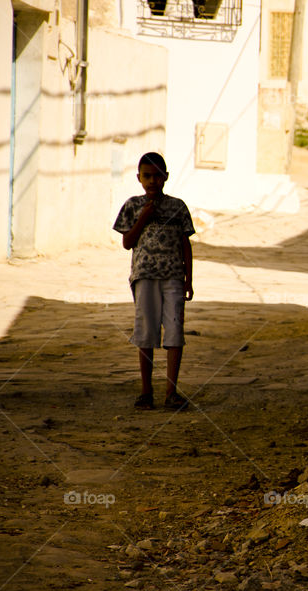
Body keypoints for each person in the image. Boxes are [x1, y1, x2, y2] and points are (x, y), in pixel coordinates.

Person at [113, 152, 195, 411]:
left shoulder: (177, 207)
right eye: (147, 176)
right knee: (146, 333)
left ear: (166, 177)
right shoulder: (132, 206)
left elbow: (186, 244)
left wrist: (188, 279)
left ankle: (171, 392)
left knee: (174, 332)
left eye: (157, 176)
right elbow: (127, 242)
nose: (152, 181)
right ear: (139, 178)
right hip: (144, 276)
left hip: (173, 277)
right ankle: (146, 392)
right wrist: (143, 218)